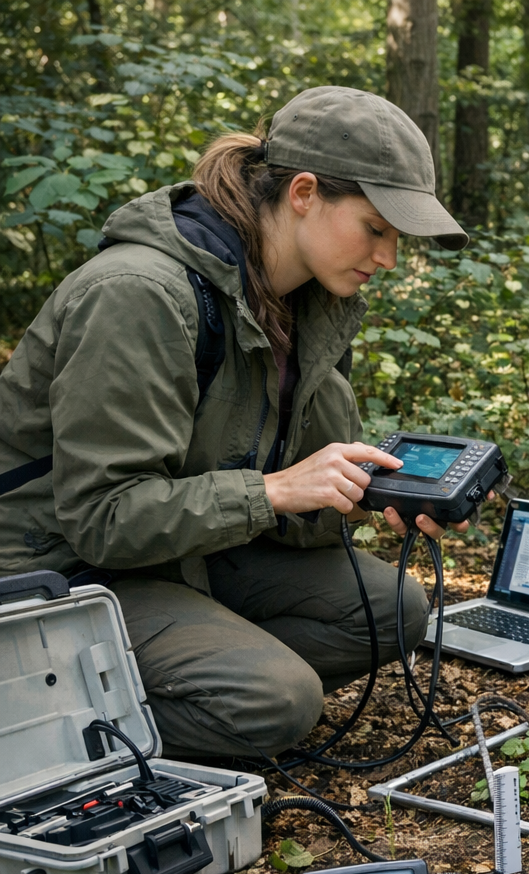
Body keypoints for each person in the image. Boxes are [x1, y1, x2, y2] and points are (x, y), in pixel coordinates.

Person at [0, 86, 471, 760]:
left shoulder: (302, 302)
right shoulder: (140, 294)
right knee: (274, 700)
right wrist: (274, 492)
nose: (389, 257)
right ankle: (43, 722)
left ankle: (199, 672)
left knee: (392, 608)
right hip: (58, 575)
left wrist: (365, 496)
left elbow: (278, 490)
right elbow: (102, 516)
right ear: (303, 193)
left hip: (177, 551)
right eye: (376, 227)